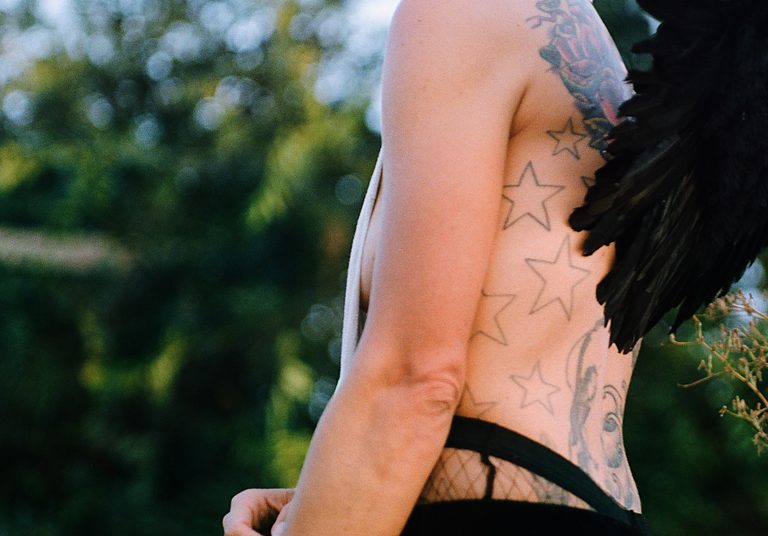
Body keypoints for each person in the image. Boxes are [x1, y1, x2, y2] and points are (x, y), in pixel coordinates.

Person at [222, 0, 647, 534]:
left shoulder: (460, 11)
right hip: (587, 506)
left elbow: (418, 382)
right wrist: (311, 505)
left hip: (489, 511)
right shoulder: (591, 48)